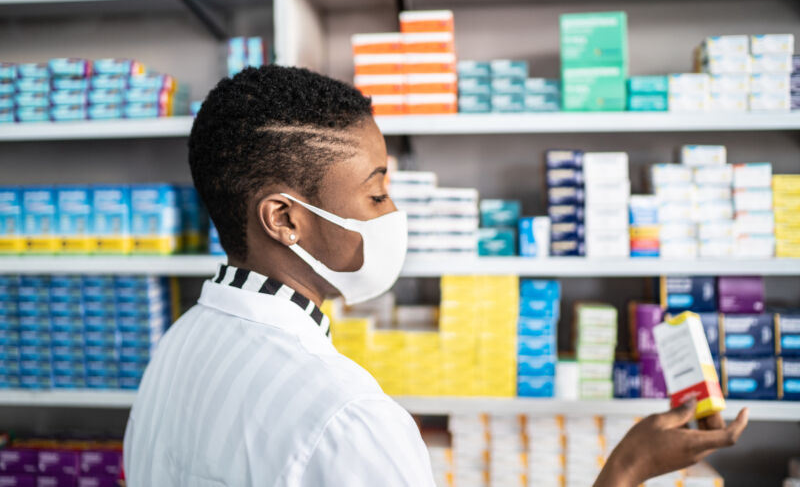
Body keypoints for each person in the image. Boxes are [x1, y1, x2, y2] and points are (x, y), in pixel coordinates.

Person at [123, 65, 749, 487]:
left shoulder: (178, 346)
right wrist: (627, 470)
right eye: (376, 195)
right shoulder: (348, 415)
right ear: (285, 219)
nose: (393, 214)